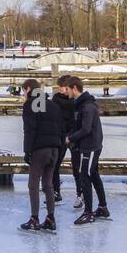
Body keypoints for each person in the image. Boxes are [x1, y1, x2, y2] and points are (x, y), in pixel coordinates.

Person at [19, 79, 64, 232]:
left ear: (29, 89)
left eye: (23, 91)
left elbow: (29, 130)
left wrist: (27, 151)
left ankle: (34, 218)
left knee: (33, 184)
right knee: (48, 184)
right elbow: (60, 128)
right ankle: (51, 218)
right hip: (54, 149)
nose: (23, 95)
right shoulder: (53, 105)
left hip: (40, 150)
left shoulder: (30, 104)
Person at [62, 76, 109, 224]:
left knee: (85, 177)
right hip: (88, 145)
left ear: (75, 88)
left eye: (68, 89)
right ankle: (102, 207)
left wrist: (71, 138)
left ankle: (88, 212)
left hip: (90, 147)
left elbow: (86, 129)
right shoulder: (81, 104)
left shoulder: (87, 106)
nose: (66, 92)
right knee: (93, 175)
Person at [51, 76, 77, 206]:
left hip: (73, 135)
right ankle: (56, 191)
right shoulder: (56, 99)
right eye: (59, 87)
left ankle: (80, 193)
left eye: (62, 87)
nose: (60, 89)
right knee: (55, 165)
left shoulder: (74, 100)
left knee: (77, 166)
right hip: (60, 135)